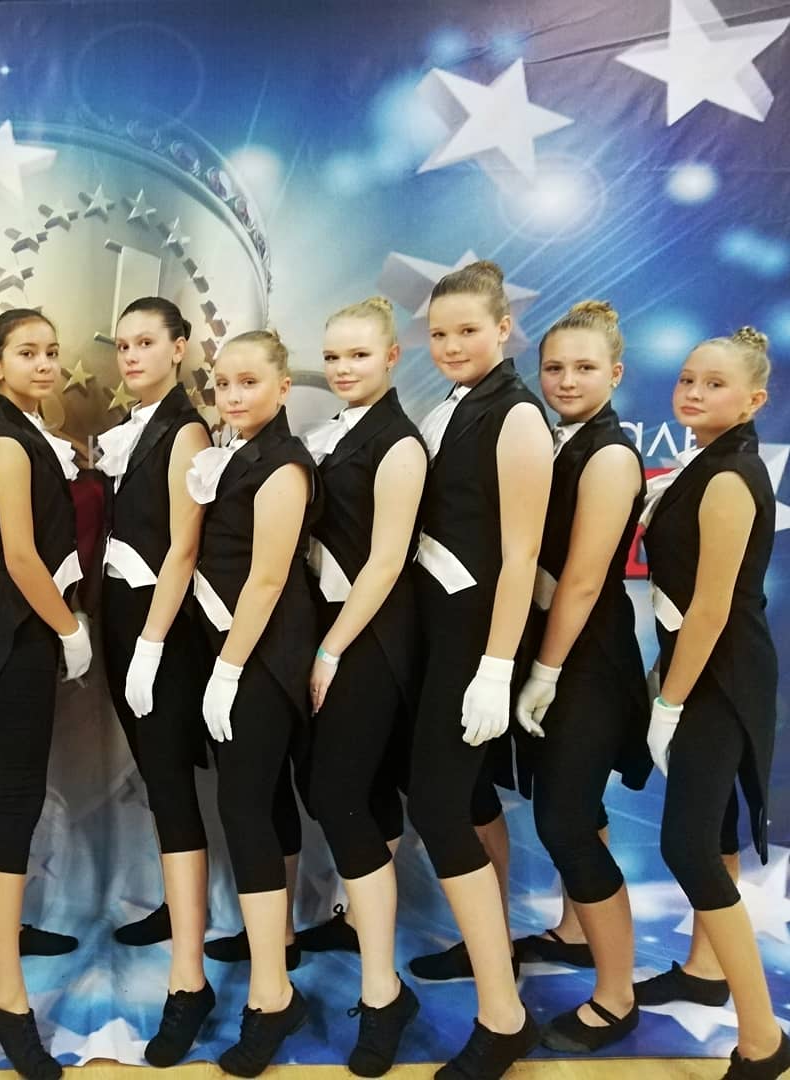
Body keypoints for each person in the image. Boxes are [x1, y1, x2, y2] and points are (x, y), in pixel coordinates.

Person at [406, 261, 551, 1078]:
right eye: (439, 333)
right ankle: (489, 952)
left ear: (503, 329)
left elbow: (521, 553)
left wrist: (497, 668)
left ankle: (504, 1018)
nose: (453, 345)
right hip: (436, 635)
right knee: (462, 798)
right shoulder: (452, 406)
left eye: (468, 330)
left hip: (474, 644)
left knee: (438, 804)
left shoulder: (517, 413)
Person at [642, 327, 790, 1080]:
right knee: (715, 828)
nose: (695, 392)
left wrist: (669, 703)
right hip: (702, 669)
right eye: (688, 379)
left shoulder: (730, 476)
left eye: (716, 384)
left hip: (720, 678)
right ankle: (704, 971)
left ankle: (763, 1039)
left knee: (688, 846)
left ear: (754, 401)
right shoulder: (706, 461)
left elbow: (709, 610)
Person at [512, 300, 651, 1052]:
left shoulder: (610, 455)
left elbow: (584, 580)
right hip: (557, 655)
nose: (566, 380)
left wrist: (545, 670)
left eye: (585, 368)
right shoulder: (560, 440)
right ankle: (572, 931)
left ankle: (618, 995)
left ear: (616, 373)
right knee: (577, 808)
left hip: (586, 663)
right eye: (555, 367)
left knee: (564, 821)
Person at [296, 296, 425, 1075]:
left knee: (338, 793)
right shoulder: (339, 432)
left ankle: (384, 992)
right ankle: (352, 922)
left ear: (392, 357)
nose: (344, 369)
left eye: (359, 355)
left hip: (369, 640)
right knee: (359, 794)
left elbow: (385, 562)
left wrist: (331, 650)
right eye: (334, 356)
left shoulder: (399, 443)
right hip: (337, 631)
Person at [187, 329, 319, 1077]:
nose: (232, 396)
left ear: (283, 386)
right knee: (262, 804)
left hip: (262, 658)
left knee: (243, 810)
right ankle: (278, 947)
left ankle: (272, 997)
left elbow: (267, 579)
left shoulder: (284, 464)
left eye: (248, 382)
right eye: (223, 384)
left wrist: (230, 669)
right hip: (236, 652)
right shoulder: (238, 453)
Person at [0, 308, 92, 1080]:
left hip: (26, 629)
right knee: (16, 797)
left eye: (51, 351)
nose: (44, 364)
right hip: (17, 629)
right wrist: (68, 628)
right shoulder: (9, 441)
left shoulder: (31, 433)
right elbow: (19, 555)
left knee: (14, 793)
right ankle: (4, 997)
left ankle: (4, 949)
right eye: (26, 352)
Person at [97, 296, 213, 1065]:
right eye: (123, 344)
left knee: (171, 787)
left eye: (147, 342)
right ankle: (179, 913)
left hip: (158, 630)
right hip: (122, 622)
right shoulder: (135, 427)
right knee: (157, 779)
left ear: (179, 348)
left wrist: (150, 644)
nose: (132, 355)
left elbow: (182, 548)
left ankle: (188, 981)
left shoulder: (185, 431)